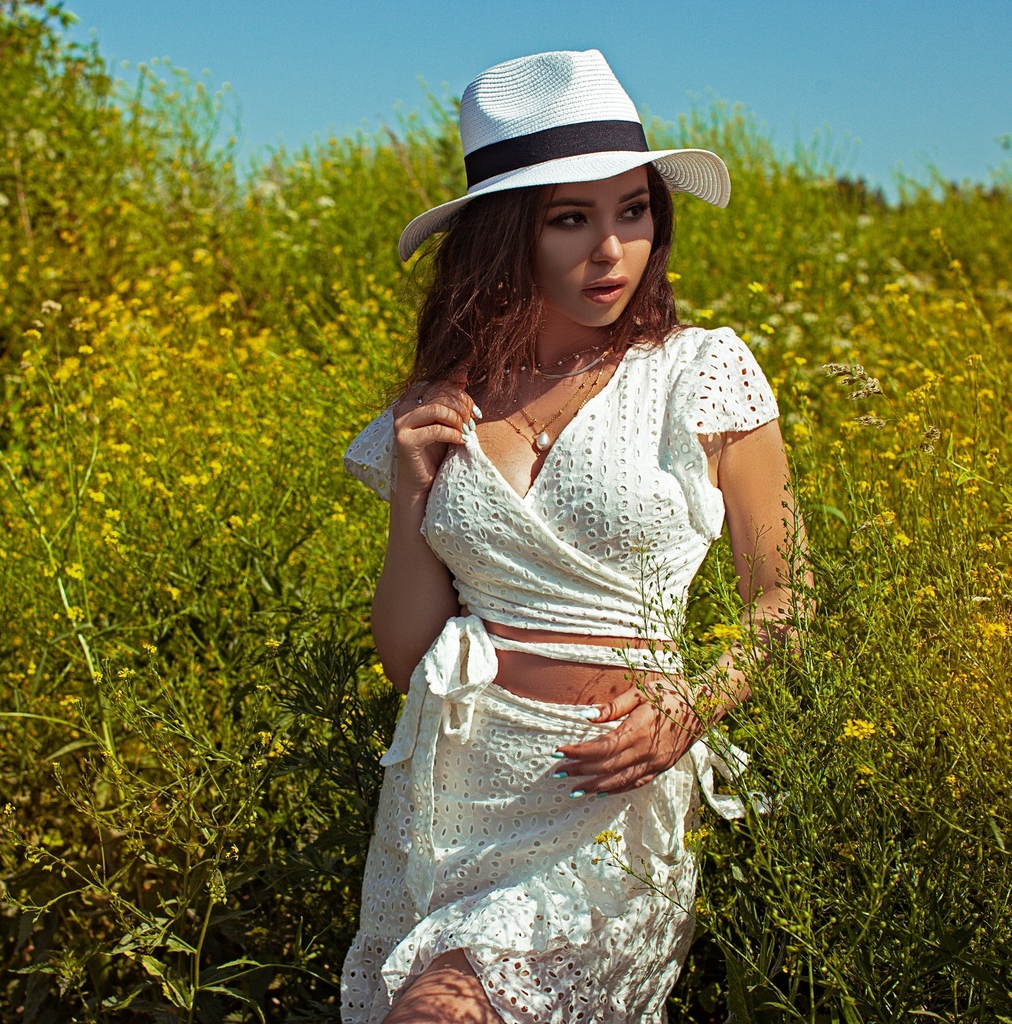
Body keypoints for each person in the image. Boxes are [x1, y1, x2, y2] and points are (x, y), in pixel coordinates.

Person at [339, 50, 809, 1024]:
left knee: (439, 1010)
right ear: (505, 235)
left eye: (631, 211)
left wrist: (693, 708)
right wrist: (411, 496)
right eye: (570, 218)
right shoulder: (437, 406)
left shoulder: (699, 370)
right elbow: (404, 659)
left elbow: (783, 599)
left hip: (611, 793)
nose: (610, 250)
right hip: (452, 796)